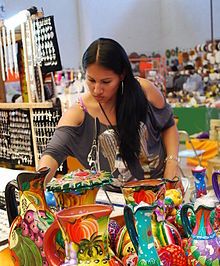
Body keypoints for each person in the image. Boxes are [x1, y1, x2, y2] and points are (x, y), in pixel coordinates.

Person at [38, 37, 183, 193]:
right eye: (91, 80)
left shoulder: (144, 91)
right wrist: (35, 187)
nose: (97, 89)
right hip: (116, 203)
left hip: (161, 191)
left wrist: (172, 163)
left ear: (122, 74)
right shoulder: (79, 113)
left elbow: (168, 125)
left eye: (106, 82)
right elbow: (52, 153)